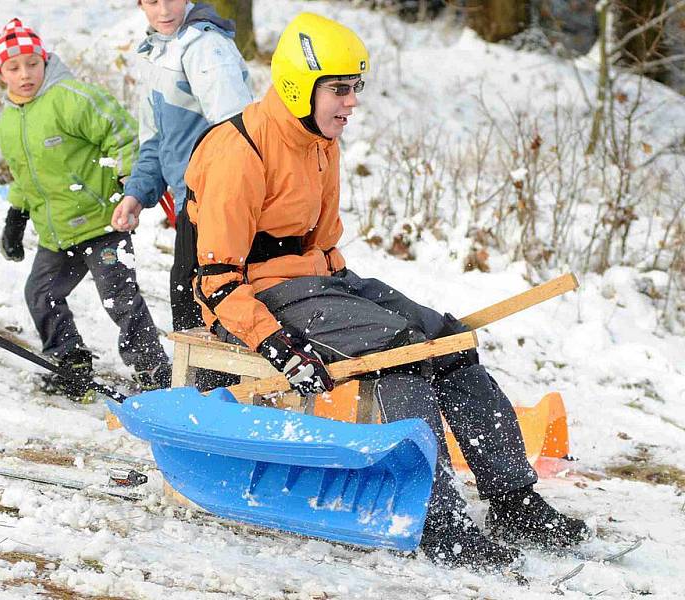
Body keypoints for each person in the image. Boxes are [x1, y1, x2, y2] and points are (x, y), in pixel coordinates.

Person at [182, 13, 589, 570]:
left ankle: (512, 497)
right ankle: (433, 517)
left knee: (449, 340)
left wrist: (354, 299)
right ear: (301, 87)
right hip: (256, 293)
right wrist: (277, 345)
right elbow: (216, 283)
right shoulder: (240, 152)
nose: (351, 103)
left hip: (315, 281)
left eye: (356, 89)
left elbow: (322, 245)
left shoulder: (319, 139)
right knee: (396, 355)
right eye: (340, 89)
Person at [0, 18, 170, 399]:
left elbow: (122, 133)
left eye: (32, 64)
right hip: (58, 233)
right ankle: (70, 363)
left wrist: (129, 185)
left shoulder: (72, 97)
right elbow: (25, 177)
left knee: (119, 300)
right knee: (40, 294)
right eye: (13, 67)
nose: (25, 74)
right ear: (1, 72)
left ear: (45, 61)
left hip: (103, 221)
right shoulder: (8, 123)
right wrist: (16, 217)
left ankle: (154, 372)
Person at [110, 0, 254, 335]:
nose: (163, 10)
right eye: (152, 1)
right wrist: (136, 194)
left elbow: (237, 135)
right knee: (188, 297)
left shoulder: (205, 47)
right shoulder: (157, 51)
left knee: (205, 300)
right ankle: (202, 384)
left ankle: (215, 386)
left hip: (216, 202)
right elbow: (156, 142)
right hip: (190, 201)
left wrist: (216, 202)